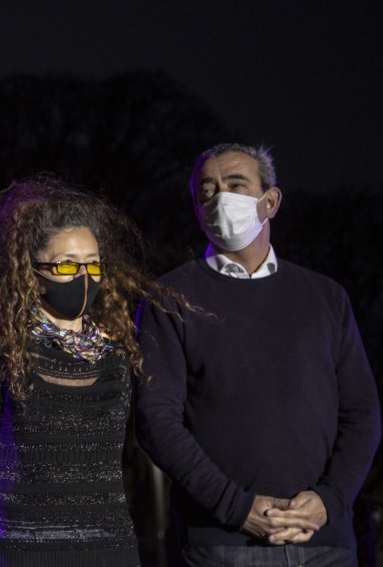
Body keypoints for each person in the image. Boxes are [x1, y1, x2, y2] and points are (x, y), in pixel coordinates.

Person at [134, 143, 381, 566]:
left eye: (235, 185)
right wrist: (236, 507)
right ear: (196, 208)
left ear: (271, 201)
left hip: (326, 541)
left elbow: (362, 413)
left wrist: (330, 499)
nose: (220, 198)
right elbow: (155, 419)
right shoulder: (169, 299)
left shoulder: (325, 297)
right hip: (221, 545)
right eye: (207, 190)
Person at [0, 176, 164, 566]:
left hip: (109, 547)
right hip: (22, 551)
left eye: (93, 264)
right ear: (33, 272)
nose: (84, 276)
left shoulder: (117, 352)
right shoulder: (2, 349)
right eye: (67, 264)